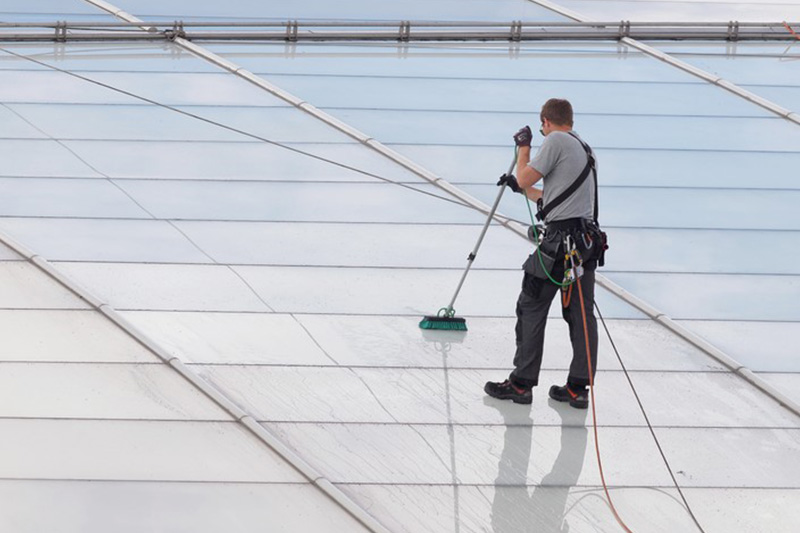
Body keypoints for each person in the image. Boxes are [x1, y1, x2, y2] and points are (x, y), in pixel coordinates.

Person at [485, 98, 604, 409]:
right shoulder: (584, 148)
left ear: (546, 121)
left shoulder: (556, 141)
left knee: (531, 306)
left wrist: (523, 148)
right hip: (584, 245)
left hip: (557, 245)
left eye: (541, 128)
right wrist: (518, 188)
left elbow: (527, 176)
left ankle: (521, 384)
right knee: (580, 314)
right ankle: (578, 388)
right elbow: (552, 198)